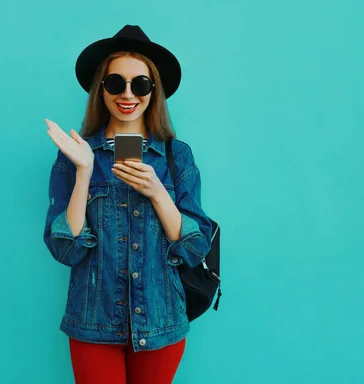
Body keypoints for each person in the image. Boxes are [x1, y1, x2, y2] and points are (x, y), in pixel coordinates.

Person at [43, 25, 212, 384]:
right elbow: (65, 249)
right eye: (116, 83)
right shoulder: (75, 156)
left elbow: (196, 248)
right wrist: (84, 171)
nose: (128, 94)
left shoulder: (176, 157)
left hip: (162, 321)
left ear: (154, 91)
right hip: (93, 323)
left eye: (141, 84)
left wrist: (158, 192)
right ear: (101, 89)